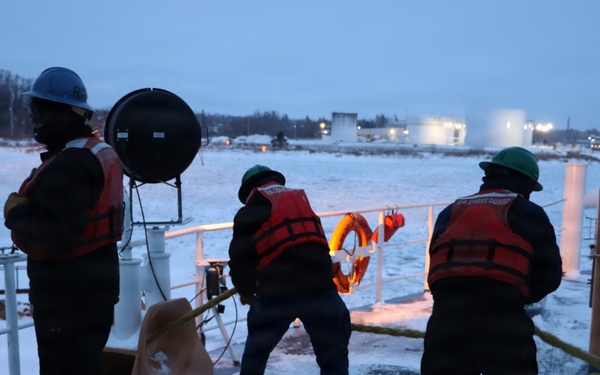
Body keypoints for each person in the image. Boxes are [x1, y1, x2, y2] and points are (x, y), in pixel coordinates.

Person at [3, 67, 124, 375]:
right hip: (94, 295)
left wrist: (14, 213)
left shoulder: (70, 165)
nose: (33, 119)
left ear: (61, 113)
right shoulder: (97, 152)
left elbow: (54, 235)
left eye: (38, 111)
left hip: (66, 303)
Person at [421, 147, 563, 375]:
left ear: (488, 175)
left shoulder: (450, 212)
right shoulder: (530, 213)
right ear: (526, 183)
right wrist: (513, 295)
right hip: (504, 328)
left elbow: (437, 269)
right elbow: (549, 277)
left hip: (445, 327)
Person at [228, 165, 351, 375]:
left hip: (277, 294)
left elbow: (240, 258)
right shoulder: (301, 202)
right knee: (334, 358)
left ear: (249, 191)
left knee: (255, 357)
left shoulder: (250, 210)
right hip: (322, 290)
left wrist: (246, 291)